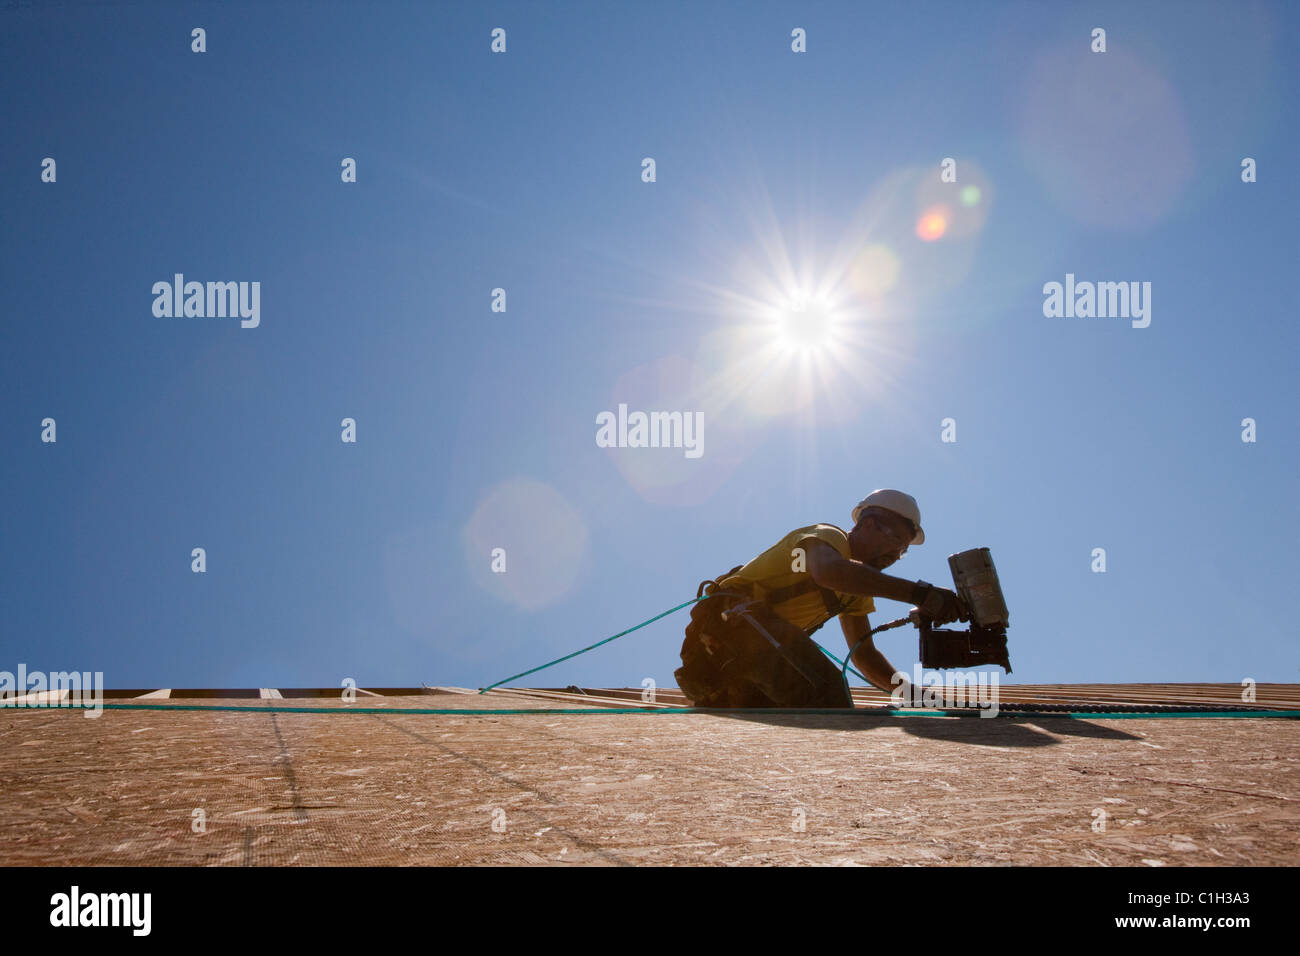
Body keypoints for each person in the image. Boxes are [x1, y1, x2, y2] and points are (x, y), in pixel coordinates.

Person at [674, 489, 963, 708]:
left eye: (902, 551)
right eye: (896, 542)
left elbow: (864, 654)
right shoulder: (828, 537)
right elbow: (829, 572)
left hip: (738, 666)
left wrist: (915, 696)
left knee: (781, 721)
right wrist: (920, 594)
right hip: (726, 635)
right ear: (868, 525)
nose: (896, 556)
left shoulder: (854, 592)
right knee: (826, 692)